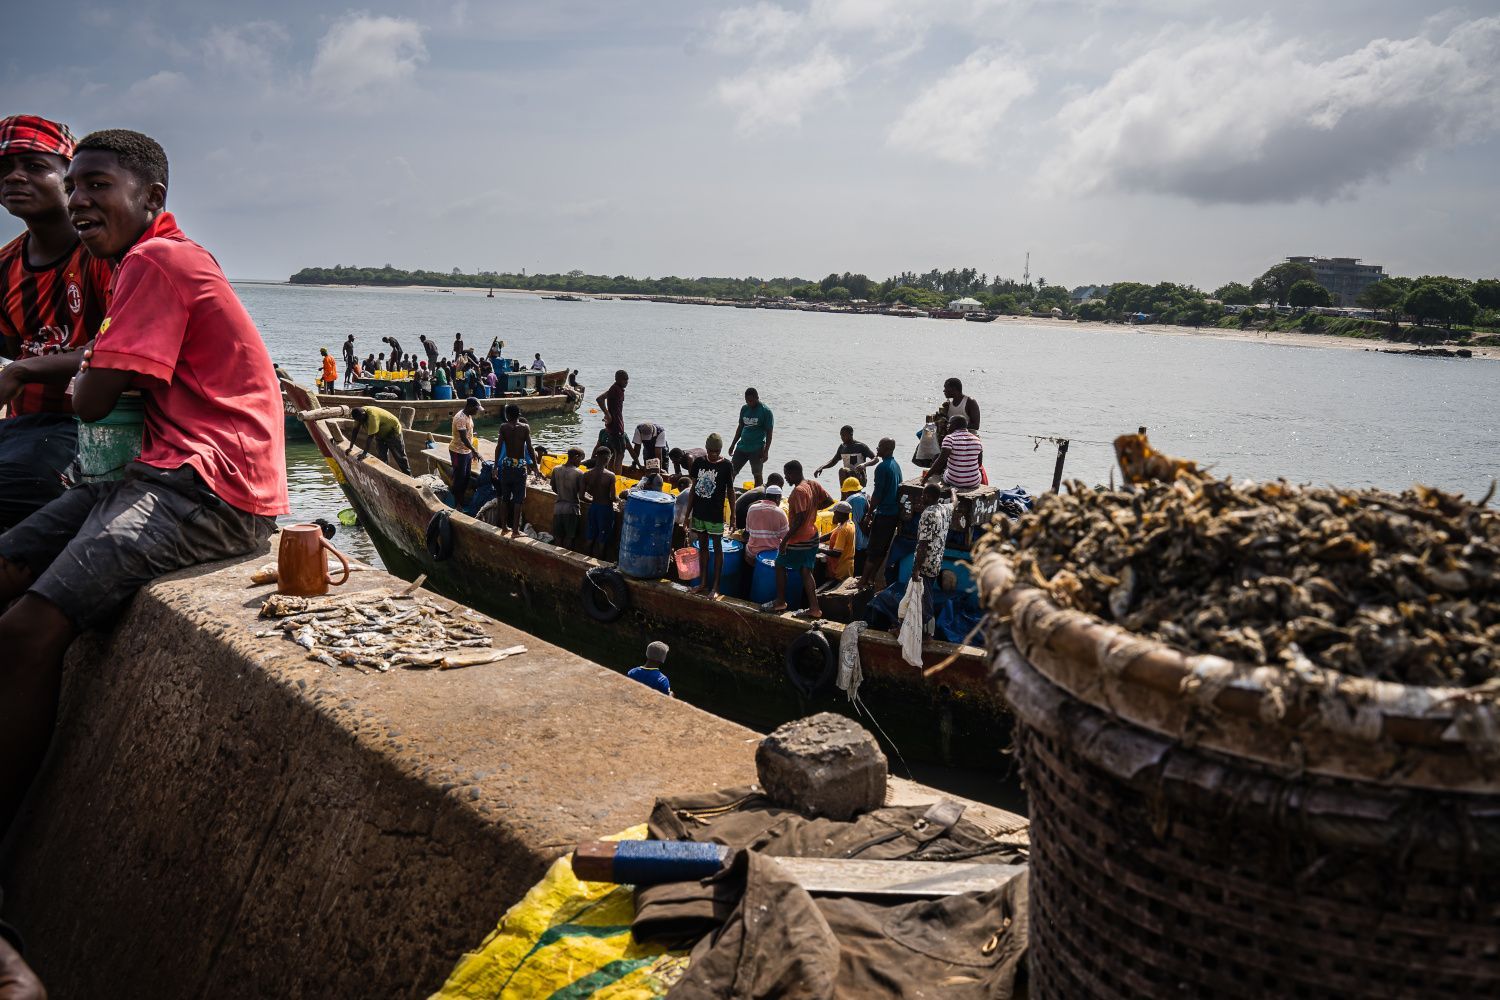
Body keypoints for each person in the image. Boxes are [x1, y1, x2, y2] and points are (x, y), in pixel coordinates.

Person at [0, 129, 287, 828]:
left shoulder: (156, 260)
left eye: (97, 185)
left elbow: (92, 401)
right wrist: (92, 367)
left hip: (212, 489)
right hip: (156, 474)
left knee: (28, 631)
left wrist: (87, 372)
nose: (78, 201)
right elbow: (100, 377)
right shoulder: (152, 259)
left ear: (152, 197)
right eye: (74, 187)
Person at [0, 115, 114, 533]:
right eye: (4, 169)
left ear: (71, 179)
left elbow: (123, 347)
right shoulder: (6, 265)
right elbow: (11, 345)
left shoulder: (104, 255)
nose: (14, 177)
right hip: (23, 428)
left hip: (94, 429)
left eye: (34, 166)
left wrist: (24, 370)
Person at [766, 461, 832, 617]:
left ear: (795, 473)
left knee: (779, 564)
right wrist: (813, 509)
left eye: (787, 475)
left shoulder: (798, 492)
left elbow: (800, 518)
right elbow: (829, 500)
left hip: (800, 539)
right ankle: (815, 609)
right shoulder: (813, 484)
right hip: (813, 536)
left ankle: (780, 601)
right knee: (806, 572)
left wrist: (785, 540)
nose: (786, 478)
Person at [688, 434, 733, 595]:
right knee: (703, 548)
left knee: (718, 548)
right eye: (711, 451)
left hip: (715, 515)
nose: (713, 454)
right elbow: (693, 489)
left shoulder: (727, 465)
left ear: (720, 450)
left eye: (717, 451)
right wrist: (687, 514)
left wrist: (733, 516)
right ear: (706, 449)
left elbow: (730, 491)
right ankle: (703, 583)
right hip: (699, 513)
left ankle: (715, 587)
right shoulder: (699, 463)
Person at [912, 480, 955, 630]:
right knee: (922, 594)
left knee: (924, 598)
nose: (921, 497)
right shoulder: (944, 508)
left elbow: (923, 545)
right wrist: (953, 492)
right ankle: (910, 627)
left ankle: (928, 633)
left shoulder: (928, 514)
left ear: (928, 497)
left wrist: (916, 569)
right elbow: (955, 503)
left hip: (925, 563)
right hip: (936, 561)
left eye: (923, 495)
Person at [861, 438, 903, 587]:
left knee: (873, 550)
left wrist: (869, 514)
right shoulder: (896, 465)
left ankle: (862, 581)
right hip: (893, 514)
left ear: (887, 449)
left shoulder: (882, 467)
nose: (877, 449)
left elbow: (877, 494)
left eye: (879, 447)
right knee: (882, 549)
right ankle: (871, 579)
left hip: (884, 513)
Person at [493, 403, 536, 538]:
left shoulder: (503, 427)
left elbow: (498, 447)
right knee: (518, 500)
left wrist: (495, 466)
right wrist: (535, 467)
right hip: (519, 466)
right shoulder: (525, 428)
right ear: (519, 414)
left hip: (507, 465)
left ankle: (504, 528)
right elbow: (530, 448)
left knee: (505, 498)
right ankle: (515, 531)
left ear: (507, 415)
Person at [728, 387, 773, 487]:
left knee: (757, 474)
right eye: (747, 401)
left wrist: (766, 451)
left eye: (751, 401)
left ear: (757, 398)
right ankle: (727, 492)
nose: (749, 403)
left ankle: (758, 493)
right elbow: (740, 427)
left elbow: (769, 433)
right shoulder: (744, 409)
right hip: (742, 447)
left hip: (757, 448)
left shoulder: (766, 411)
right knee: (731, 471)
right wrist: (732, 444)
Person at [347, 405, 411, 474]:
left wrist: (364, 454)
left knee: (399, 456)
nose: (360, 422)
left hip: (393, 431)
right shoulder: (357, 415)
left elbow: (370, 438)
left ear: (364, 415)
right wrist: (350, 447)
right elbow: (355, 431)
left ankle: (408, 475)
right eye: (359, 421)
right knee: (381, 456)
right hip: (380, 432)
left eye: (361, 420)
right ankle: (385, 474)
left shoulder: (372, 417)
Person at [925, 415, 983, 489]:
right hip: (974, 482)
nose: (947, 426)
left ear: (955, 425)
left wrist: (925, 478)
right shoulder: (977, 440)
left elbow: (940, 461)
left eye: (949, 423)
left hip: (954, 481)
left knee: (945, 470)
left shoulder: (949, 438)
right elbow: (979, 463)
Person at [580, 446, 617, 558]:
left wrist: (593, 501)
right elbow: (612, 497)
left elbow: (581, 496)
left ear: (596, 457)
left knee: (590, 537)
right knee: (602, 539)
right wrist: (619, 499)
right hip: (605, 509)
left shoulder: (586, 474)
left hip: (593, 508)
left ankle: (584, 559)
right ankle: (599, 561)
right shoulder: (610, 476)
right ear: (608, 458)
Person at [744, 483, 788, 564]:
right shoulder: (781, 513)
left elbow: (748, 530)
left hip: (751, 553)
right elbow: (786, 538)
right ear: (777, 498)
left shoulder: (752, 508)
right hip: (770, 555)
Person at [550, 447, 585, 549]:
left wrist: (562, 493)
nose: (580, 463)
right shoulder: (579, 473)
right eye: (580, 459)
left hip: (558, 509)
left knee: (558, 537)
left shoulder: (556, 469)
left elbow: (553, 487)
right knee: (569, 538)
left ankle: (555, 556)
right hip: (571, 509)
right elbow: (581, 494)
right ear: (576, 457)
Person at [595, 369, 628, 473]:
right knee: (620, 454)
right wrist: (607, 413)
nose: (626, 382)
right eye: (624, 379)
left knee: (615, 453)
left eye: (627, 379)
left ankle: (610, 473)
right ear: (617, 379)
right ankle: (617, 478)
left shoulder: (616, 388)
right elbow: (599, 399)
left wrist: (607, 414)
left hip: (614, 426)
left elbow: (601, 398)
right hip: (616, 426)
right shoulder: (615, 389)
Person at [450, 396, 480, 504]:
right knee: (459, 478)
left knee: (466, 477)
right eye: (476, 409)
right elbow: (463, 438)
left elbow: (468, 433)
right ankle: (457, 504)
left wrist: (472, 451)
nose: (477, 411)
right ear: (470, 407)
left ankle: (461, 499)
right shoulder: (460, 418)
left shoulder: (469, 415)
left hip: (467, 451)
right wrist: (474, 450)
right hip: (458, 451)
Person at [840, 476, 870, 574]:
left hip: (860, 543)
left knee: (857, 569)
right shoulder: (864, 496)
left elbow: (860, 521)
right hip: (862, 541)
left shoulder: (856, 499)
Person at [823, 501, 856, 582]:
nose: (834, 516)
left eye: (835, 513)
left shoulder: (843, 529)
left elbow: (837, 553)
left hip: (841, 568)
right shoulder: (849, 523)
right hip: (848, 566)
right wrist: (814, 540)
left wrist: (820, 550)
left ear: (840, 514)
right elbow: (829, 535)